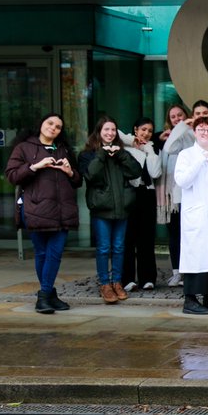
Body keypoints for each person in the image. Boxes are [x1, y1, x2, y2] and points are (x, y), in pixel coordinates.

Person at [5, 113, 81, 314]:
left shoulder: (63, 149)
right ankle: (47, 296)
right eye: (50, 123)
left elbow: (78, 180)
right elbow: (12, 176)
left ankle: (46, 295)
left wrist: (70, 172)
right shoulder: (24, 148)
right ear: (41, 124)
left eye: (58, 126)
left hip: (63, 210)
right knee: (41, 253)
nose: (53, 128)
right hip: (36, 209)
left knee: (54, 254)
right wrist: (34, 167)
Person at [79, 116, 143, 305]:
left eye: (113, 130)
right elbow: (90, 175)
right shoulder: (87, 154)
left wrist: (121, 155)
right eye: (106, 130)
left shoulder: (121, 153)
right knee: (104, 248)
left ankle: (117, 282)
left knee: (119, 247)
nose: (110, 133)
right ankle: (105, 284)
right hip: (101, 209)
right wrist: (102, 154)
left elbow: (136, 171)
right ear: (99, 132)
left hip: (122, 208)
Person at [172, 116, 208, 315]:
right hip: (194, 214)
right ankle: (189, 299)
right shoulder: (186, 155)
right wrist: (200, 160)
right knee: (195, 255)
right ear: (195, 133)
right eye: (201, 129)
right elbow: (182, 181)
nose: (205, 133)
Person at [160, 102, 208, 287]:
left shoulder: (200, 133)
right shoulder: (178, 134)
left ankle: (196, 272)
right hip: (176, 194)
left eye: (180, 115)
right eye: (173, 117)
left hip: (198, 192)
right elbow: (168, 148)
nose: (177, 119)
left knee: (193, 233)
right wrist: (181, 126)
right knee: (175, 233)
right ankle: (177, 271)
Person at [120, 118, 162, 292]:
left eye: (150, 131)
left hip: (147, 194)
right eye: (143, 129)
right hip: (130, 193)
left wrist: (149, 150)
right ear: (136, 129)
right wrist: (132, 141)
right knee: (128, 238)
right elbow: (115, 133)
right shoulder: (126, 145)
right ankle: (127, 278)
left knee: (147, 238)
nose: (146, 133)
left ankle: (148, 278)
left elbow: (155, 172)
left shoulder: (152, 148)